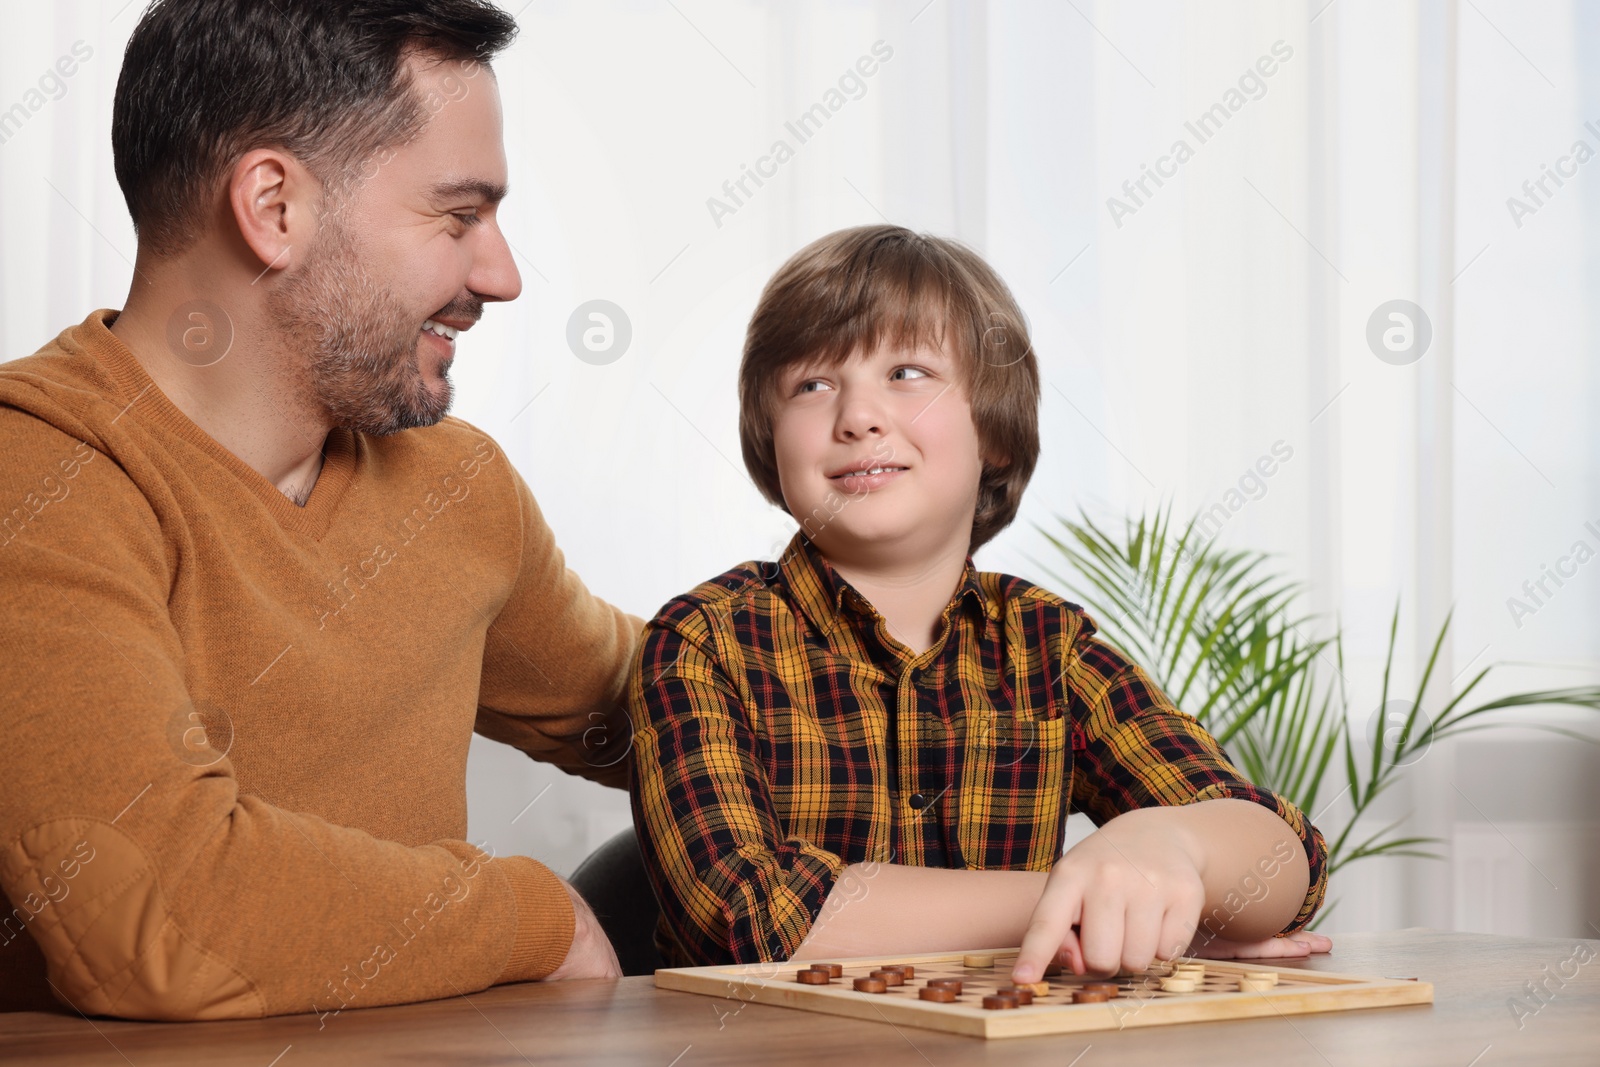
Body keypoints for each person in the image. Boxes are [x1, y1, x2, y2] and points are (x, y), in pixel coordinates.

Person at [0, 0, 637, 1020]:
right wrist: (532, 916)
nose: (501, 276)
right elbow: (158, 913)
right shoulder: (35, 476)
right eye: (458, 215)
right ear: (274, 206)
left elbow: (683, 708)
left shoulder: (454, 486)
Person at [626, 225, 1332, 984]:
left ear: (992, 429)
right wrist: (1077, 900)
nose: (858, 415)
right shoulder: (703, 641)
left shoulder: (1048, 645)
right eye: (812, 384)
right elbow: (747, 916)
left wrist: (1173, 850)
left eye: (906, 371)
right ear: (770, 435)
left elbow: (1286, 867)